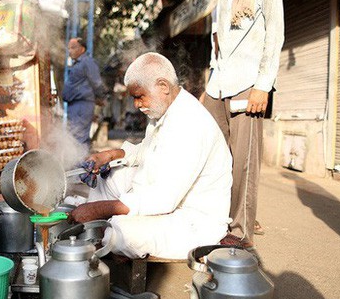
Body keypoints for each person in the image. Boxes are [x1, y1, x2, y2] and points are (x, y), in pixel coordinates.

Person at [69, 52, 232, 259]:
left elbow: (163, 199)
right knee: (106, 178)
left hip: (192, 220)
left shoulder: (190, 125)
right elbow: (146, 150)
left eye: (139, 96)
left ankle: (101, 233)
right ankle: (95, 231)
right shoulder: (166, 110)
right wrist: (109, 155)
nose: (137, 104)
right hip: (166, 197)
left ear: (163, 86)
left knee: (119, 232)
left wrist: (99, 209)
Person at [202, 0, 284, 248]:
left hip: (248, 85)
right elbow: (216, 42)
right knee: (212, 154)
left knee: (244, 163)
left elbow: (274, 36)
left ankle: (240, 232)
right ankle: (214, 217)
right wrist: (209, 84)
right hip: (219, 84)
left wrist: (263, 86)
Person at [62, 37, 106, 146]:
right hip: (75, 106)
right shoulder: (77, 64)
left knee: (79, 138)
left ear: (82, 49)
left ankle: (81, 162)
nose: (70, 51)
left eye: (73, 48)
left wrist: (100, 98)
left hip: (82, 105)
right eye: (69, 48)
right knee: (74, 137)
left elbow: (97, 82)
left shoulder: (87, 62)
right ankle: (76, 162)